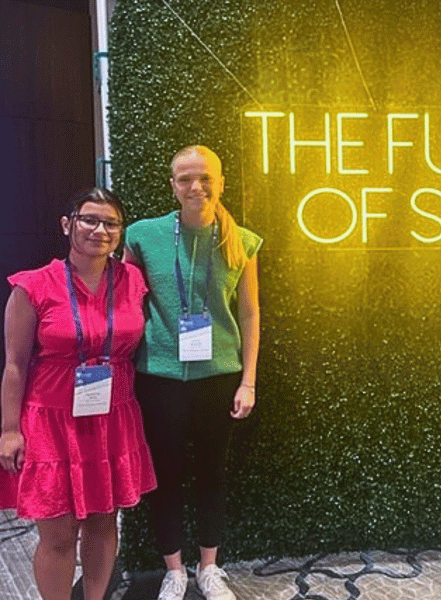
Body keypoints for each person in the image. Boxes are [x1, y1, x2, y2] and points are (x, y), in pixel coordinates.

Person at [0, 188, 156, 600]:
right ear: (68, 224)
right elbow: (14, 366)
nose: (99, 230)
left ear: (120, 233)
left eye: (110, 223)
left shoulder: (133, 280)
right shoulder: (33, 286)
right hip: (50, 420)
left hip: (113, 415)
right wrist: (9, 430)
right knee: (58, 532)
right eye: (89, 219)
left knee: (104, 522)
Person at [124, 145, 262, 600]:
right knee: (162, 474)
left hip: (219, 377)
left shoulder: (241, 239)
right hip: (159, 377)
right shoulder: (142, 236)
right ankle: (173, 570)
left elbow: (249, 314)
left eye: (205, 178)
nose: (195, 187)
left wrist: (248, 381)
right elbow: (127, 305)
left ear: (221, 182)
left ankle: (209, 567)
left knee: (212, 473)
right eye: (185, 179)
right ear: (172, 185)